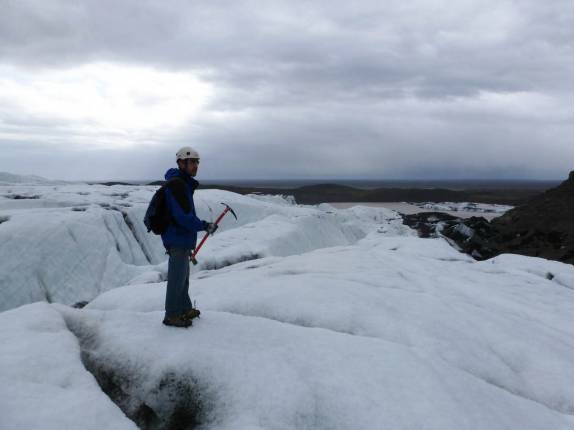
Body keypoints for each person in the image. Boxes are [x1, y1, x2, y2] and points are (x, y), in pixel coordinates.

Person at [161, 146, 218, 327]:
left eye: (196, 162)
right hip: (177, 237)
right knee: (176, 279)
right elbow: (182, 217)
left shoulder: (183, 185)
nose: (195, 166)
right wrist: (203, 225)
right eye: (191, 162)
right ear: (180, 163)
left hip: (182, 238)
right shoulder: (177, 185)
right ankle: (171, 315)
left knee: (183, 278)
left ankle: (184, 308)